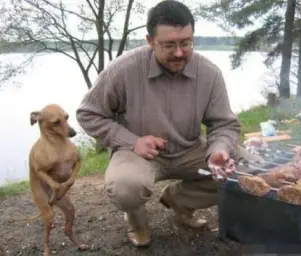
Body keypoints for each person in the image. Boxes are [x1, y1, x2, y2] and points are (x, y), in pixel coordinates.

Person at [76, 0, 262, 247]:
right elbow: (88, 114)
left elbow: (224, 124)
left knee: (248, 170)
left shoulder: (209, 73)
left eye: (186, 43)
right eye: (169, 45)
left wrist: (218, 149)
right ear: (150, 41)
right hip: (140, 153)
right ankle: (138, 223)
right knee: (125, 187)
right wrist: (132, 141)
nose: (179, 53)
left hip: (190, 150)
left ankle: (180, 201)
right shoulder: (123, 69)